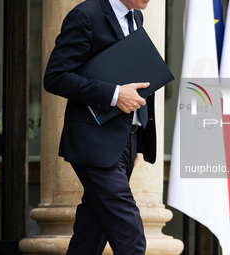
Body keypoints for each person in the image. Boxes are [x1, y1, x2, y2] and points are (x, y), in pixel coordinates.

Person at [43, 0, 156, 254]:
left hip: (126, 142)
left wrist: (138, 135)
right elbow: (55, 77)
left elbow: (136, 79)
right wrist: (114, 95)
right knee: (130, 233)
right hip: (93, 143)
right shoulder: (85, 16)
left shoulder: (136, 18)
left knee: (91, 234)